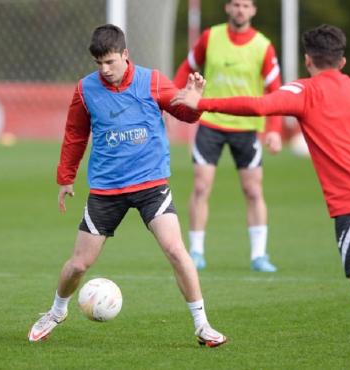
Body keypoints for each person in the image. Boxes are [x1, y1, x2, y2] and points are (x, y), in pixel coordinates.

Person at [172, 24, 350, 370]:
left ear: (308, 60)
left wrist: (201, 102)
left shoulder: (303, 91)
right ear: (342, 61)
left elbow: (258, 105)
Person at [27, 24, 227, 347]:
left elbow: (186, 115)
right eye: (98, 64)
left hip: (151, 184)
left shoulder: (153, 81)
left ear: (125, 55)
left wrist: (194, 102)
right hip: (106, 190)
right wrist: (66, 177)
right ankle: (56, 311)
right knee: (79, 264)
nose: (104, 70)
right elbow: (75, 134)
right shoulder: (84, 90)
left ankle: (203, 325)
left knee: (176, 251)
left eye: (110, 62)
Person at [173, 0, 282, 272]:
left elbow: (275, 90)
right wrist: (174, 98)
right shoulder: (210, 37)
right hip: (210, 123)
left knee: (253, 190)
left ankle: (259, 255)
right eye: (236, 4)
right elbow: (187, 68)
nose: (240, 10)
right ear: (227, 8)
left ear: (254, 10)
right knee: (200, 187)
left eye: (246, 5)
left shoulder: (263, 46)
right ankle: (196, 252)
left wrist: (274, 130)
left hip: (246, 127)